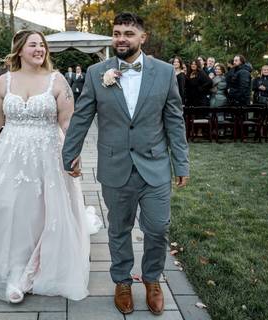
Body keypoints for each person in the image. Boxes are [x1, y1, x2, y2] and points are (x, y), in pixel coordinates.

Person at [0, 30, 102, 304]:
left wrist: (74, 153)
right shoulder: (3, 83)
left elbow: (68, 122)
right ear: (19, 50)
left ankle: (37, 266)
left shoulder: (57, 81)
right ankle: (12, 266)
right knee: (9, 206)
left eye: (42, 45)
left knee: (43, 209)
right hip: (11, 156)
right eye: (33, 45)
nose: (39, 49)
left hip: (49, 155)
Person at [62, 12, 189, 316]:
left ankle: (151, 279)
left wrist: (180, 163)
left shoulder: (164, 72)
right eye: (117, 32)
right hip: (115, 165)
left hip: (154, 165)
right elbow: (82, 116)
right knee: (119, 228)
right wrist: (70, 153)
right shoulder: (96, 73)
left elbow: (174, 119)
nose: (121, 38)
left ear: (142, 38)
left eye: (128, 33)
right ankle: (121, 280)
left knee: (157, 227)